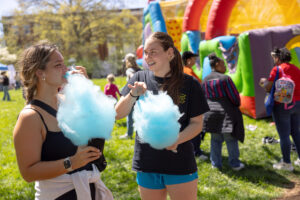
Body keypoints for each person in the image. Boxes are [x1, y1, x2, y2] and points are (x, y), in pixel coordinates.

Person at [115, 32, 209, 200]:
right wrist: (133, 94)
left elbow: (197, 124)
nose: (147, 57)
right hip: (146, 163)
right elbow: (117, 114)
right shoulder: (139, 78)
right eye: (145, 52)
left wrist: (176, 140)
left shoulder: (190, 84)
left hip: (179, 163)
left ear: (170, 53)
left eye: (153, 52)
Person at [13, 41, 113, 199]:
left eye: (64, 64)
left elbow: (103, 119)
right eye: (58, 65)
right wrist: (71, 162)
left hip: (90, 190)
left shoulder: (69, 102)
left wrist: (85, 86)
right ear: (40, 73)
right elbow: (28, 173)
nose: (66, 69)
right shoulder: (30, 117)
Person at [259, 47, 300, 171]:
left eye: (274, 58)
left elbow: (268, 87)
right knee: (296, 132)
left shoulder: (277, 69)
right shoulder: (296, 69)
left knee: (284, 135)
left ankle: (287, 163)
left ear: (278, 58)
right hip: (297, 104)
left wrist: (263, 82)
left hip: (282, 105)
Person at [202, 53, 245, 171]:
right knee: (231, 139)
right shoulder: (225, 79)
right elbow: (235, 97)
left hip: (210, 115)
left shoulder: (205, 80)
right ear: (216, 65)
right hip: (225, 114)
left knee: (215, 140)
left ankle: (215, 164)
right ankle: (235, 164)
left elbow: (203, 98)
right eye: (223, 64)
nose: (225, 67)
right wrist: (236, 105)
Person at [182, 51, 208, 161]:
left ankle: (190, 149)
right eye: (193, 59)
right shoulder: (187, 71)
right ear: (188, 60)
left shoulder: (186, 70)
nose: (195, 61)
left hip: (187, 103)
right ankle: (196, 151)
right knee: (195, 126)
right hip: (192, 104)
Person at [119, 53, 141, 139]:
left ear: (127, 61)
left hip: (132, 95)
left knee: (130, 116)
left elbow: (132, 77)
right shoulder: (139, 69)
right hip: (140, 94)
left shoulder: (129, 70)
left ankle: (129, 134)